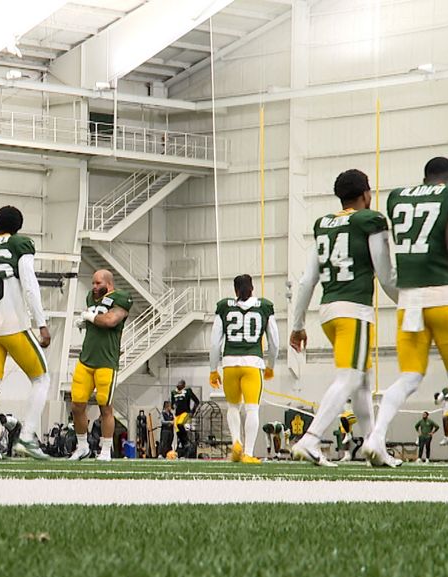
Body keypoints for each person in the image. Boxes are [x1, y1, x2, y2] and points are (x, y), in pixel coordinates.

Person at [363, 157, 448, 468]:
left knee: (408, 377)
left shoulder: (398, 197)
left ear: (425, 177)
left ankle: (376, 436)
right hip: (444, 296)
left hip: (409, 300)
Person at [288, 168, 397, 467]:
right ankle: (311, 439)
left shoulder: (324, 224)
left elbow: (307, 280)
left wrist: (298, 325)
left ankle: (374, 446)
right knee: (350, 378)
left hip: (328, 312)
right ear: (366, 194)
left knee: (362, 381)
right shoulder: (369, 220)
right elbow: (386, 276)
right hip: (354, 310)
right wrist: (409, 303)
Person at [0, 206, 52, 461]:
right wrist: (41, 323)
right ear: (19, 226)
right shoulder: (19, 244)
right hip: (13, 325)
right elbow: (30, 285)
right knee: (41, 379)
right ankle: (26, 436)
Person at [209, 274, 279, 464]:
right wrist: (271, 365)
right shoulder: (264, 306)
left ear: (235, 290)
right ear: (252, 288)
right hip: (252, 364)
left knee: (233, 407)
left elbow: (215, 343)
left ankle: (236, 443)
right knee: (252, 409)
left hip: (230, 364)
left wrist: (213, 369)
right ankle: (247, 452)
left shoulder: (225, 306)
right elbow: (274, 342)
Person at [69, 269, 131, 461]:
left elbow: (110, 321)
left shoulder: (121, 298)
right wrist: (86, 322)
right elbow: (97, 318)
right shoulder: (91, 297)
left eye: (98, 283)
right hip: (86, 359)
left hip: (106, 362)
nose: (94, 287)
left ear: (109, 283)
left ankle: (105, 450)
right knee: (76, 405)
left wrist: (90, 317)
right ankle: (82, 446)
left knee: (105, 407)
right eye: (93, 283)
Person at [170, 380, 199, 457]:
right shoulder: (173, 392)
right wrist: (173, 406)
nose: (178, 385)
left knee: (180, 424)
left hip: (185, 412)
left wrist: (193, 411)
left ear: (183, 385)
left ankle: (186, 441)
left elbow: (197, 401)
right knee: (177, 431)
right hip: (177, 414)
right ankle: (184, 445)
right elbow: (172, 404)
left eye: (180, 384)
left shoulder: (188, 391)